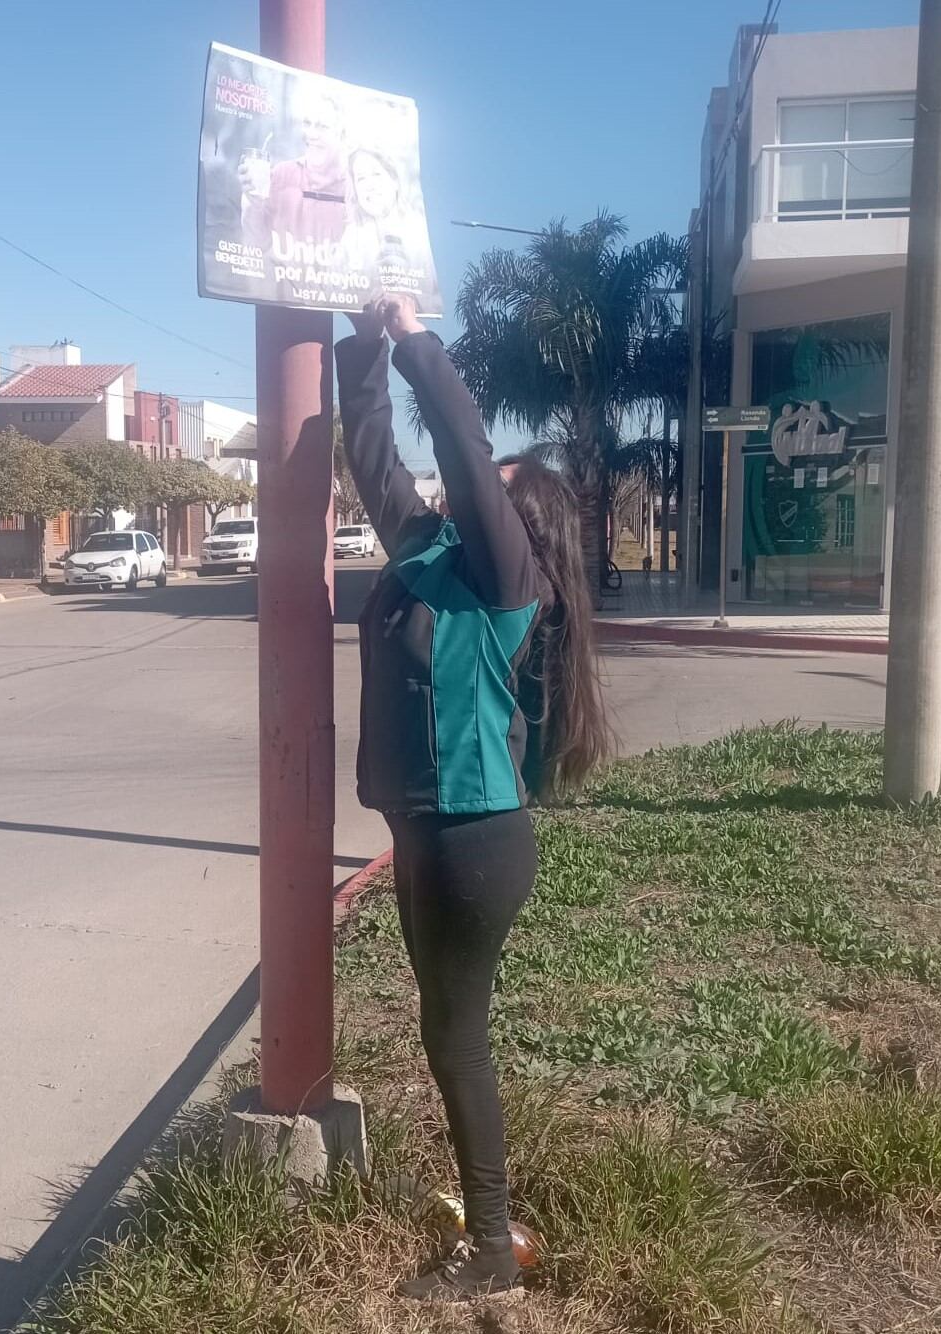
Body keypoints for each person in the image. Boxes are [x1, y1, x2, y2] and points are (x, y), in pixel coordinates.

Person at [335, 294, 611, 1302]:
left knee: (457, 1034)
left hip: (473, 841)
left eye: (487, 490)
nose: (462, 493)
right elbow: (372, 455)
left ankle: (491, 1247)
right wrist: (363, 352)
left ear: (517, 517)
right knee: (445, 1030)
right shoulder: (426, 560)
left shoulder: (505, 577)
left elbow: (457, 438)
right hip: (427, 832)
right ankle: (487, 1222)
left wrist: (413, 336)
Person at [239, 91, 348, 251]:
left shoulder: (354, 185)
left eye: (322, 126)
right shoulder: (282, 174)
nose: (311, 134)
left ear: (341, 134)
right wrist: (253, 204)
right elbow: (257, 245)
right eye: (307, 123)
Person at [340, 146, 435, 297]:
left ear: (394, 180)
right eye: (361, 178)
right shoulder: (351, 238)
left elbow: (430, 295)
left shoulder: (417, 232)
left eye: (376, 174)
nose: (369, 185)